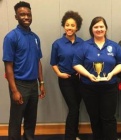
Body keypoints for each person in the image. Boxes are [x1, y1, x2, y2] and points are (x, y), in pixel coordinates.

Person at [73, 16, 121, 140]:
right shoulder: (84, 46)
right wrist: (88, 74)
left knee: (108, 118)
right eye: (96, 27)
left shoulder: (114, 46)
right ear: (92, 29)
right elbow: (76, 63)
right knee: (94, 118)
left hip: (109, 88)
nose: (99, 29)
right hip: (89, 88)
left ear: (106, 29)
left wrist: (112, 73)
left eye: (101, 26)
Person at [2, 1, 45, 140]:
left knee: (31, 120)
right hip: (19, 84)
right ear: (16, 17)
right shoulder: (11, 37)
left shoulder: (35, 38)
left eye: (28, 14)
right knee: (16, 120)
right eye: (22, 14)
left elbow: (38, 61)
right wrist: (14, 90)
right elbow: (8, 65)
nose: (26, 17)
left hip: (33, 85)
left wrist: (41, 83)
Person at [50, 11, 83, 140]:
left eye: (72, 25)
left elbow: (85, 60)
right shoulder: (57, 44)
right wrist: (59, 74)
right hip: (65, 80)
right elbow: (53, 63)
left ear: (77, 27)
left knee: (77, 107)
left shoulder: (82, 43)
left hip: (80, 80)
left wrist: (82, 73)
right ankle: (69, 137)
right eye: (67, 24)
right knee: (73, 108)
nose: (69, 27)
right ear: (64, 25)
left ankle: (75, 134)